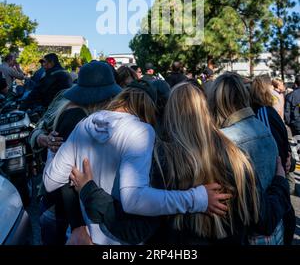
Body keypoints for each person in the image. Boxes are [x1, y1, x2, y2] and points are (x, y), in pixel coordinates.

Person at [70, 82, 291, 245]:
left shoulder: (161, 161)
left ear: (170, 114)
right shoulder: (237, 158)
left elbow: (134, 230)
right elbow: (265, 220)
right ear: (206, 111)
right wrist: (280, 180)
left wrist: (89, 190)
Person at [43, 80, 228, 245]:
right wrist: (197, 199)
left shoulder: (84, 125)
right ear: (148, 107)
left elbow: (50, 181)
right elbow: (134, 200)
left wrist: (53, 150)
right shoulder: (141, 130)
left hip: (88, 237)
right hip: (119, 240)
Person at [38, 61, 122, 245]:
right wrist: (78, 225)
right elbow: (69, 174)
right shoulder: (75, 117)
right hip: (63, 214)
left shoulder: (85, 116)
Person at [210, 72, 295, 244]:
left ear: (216, 101)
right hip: (274, 228)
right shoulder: (263, 128)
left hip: (246, 231)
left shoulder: (223, 141)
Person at [285, 74, 300, 159]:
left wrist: (289, 123)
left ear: (296, 83)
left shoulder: (290, 95)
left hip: (296, 124)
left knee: (298, 143)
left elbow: (287, 111)